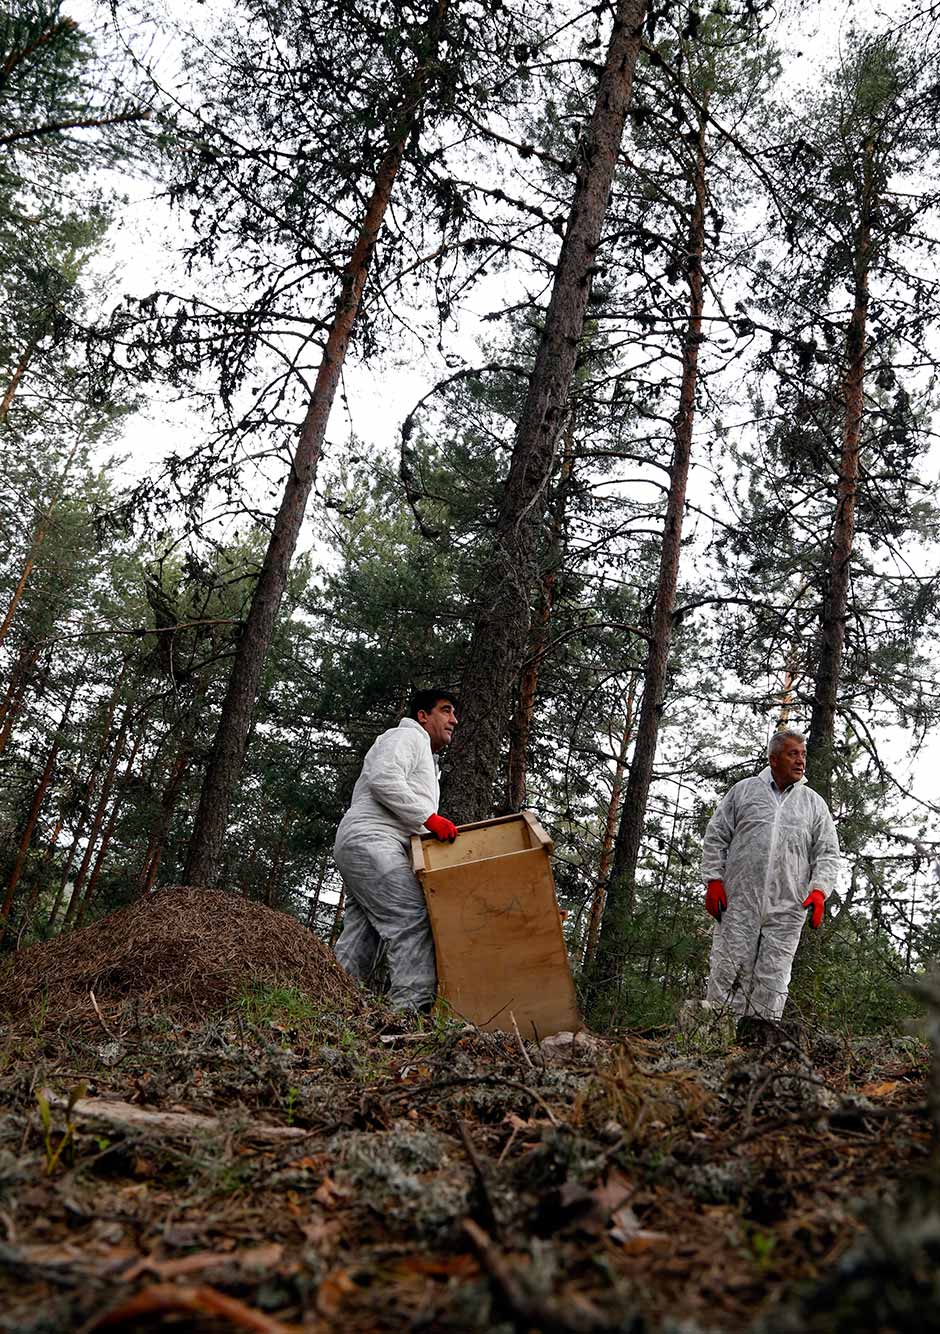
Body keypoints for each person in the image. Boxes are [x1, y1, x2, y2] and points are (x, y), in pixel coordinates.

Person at [700, 728, 840, 1025]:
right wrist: (713, 880)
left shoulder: (814, 804)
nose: (801, 761)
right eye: (793, 754)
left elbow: (828, 853)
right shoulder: (745, 791)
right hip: (739, 901)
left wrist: (819, 891)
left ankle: (760, 1049)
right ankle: (717, 1043)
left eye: (803, 754)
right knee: (727, 972)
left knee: (773, 979)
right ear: (773, 759)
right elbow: (716, 836)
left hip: (789, 906)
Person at [332, 689, 459, 1014]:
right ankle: (409, 1013)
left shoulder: (426, 759)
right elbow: (383, 777)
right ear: (422, 716)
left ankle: (329, 1004)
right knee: (412, 918)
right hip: (373, 840)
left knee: (364, 935)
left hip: (372, 845)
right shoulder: (405, 737)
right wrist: (428, 819)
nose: (453, 720)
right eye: (445, 711)